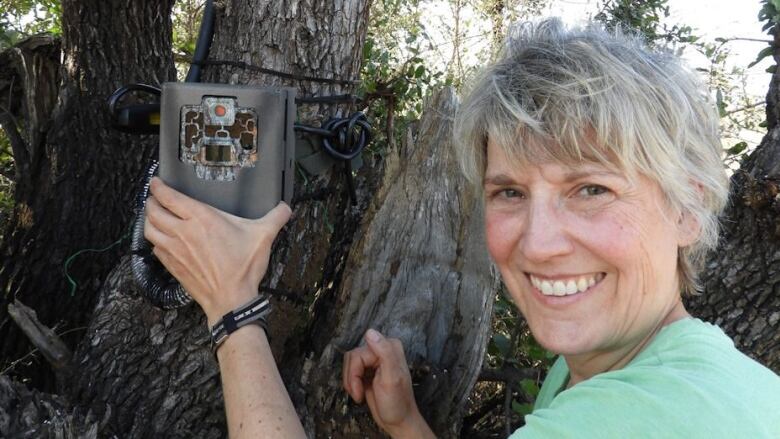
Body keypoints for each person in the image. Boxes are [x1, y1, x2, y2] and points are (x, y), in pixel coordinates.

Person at [144, 18, 780, 438]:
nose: (537, 242)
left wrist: (231, 307)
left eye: (592, 189)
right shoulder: (651, 369)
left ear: (688, 208)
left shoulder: (641, 418)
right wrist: (408, 428)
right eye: (509, 192)